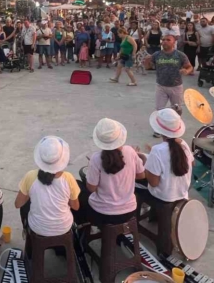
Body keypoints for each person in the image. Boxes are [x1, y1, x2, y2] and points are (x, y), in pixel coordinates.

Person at [136, 109, 194, 256]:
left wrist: (143, 164)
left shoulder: (158, 150)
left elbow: (153, 183)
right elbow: (189, 165)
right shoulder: (184, 145)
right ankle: (154, 216)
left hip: (164, 198)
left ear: (160, 131)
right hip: (181, 193)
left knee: (135, 185)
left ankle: (136, 228)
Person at [74, 118, 144, 227]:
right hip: (129, 211)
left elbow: (91, 188)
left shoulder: (96, 159)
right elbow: (141, 175)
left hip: (102, 214)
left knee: (77, 188)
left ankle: (83, 229)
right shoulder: (130, 151)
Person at [15, 136, 79, 237]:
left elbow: (18, 204)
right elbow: (76, 206)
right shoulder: (68, 178)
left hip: (37, 227)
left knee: (26, 203)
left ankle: (28, 234)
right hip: (63, 227)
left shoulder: (30, 176)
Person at [144, 34, 193, 117]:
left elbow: (190, 67)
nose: (165, 42)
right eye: (163, 40)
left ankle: (176, 124)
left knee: (176, 109)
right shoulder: (156, 54)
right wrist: (146, 61)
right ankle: (161, 127)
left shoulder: (180, 55)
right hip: (161, 86)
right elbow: (148, 67)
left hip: (176, 86)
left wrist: (187, 71)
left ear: (174, 42)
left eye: (168, 40)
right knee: (159, 110)